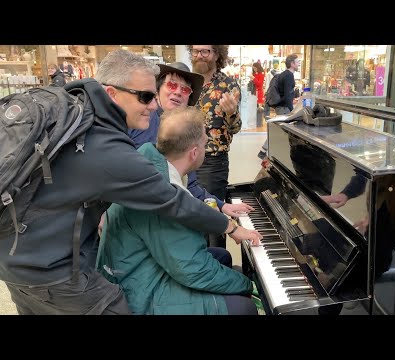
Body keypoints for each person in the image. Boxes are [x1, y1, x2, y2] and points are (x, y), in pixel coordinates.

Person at [1, 49, 257, 315]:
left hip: (17, 257)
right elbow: (169, 198)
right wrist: (229, 227)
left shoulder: (78, 116)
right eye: (146, 97)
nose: (154, 105)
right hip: (51, 271)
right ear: (112, 94)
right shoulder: (105, 146)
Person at [97, 107, 260, 315]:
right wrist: (249, 285)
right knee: (243, 307)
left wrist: (229, 227)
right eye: (204, 144)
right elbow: (192, 270)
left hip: (132, 265)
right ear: (194, 152)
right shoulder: (161, 194)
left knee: (222, 256)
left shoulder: (151, 163)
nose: (205, 149)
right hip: (136, 290)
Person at [127, 61, 252, 219]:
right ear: (158, 90)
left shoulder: (184, 130)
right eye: (172, 85)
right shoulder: (141, 119)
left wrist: (222, 205)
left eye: (185, 89)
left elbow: (190, 186)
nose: (178, 92)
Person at [186, 45, 242, 248]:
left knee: (214, 216)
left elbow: (235, 128)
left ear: (217, 54)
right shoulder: (187, 82)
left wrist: (231, 113)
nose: (199, 55)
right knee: (189, 215)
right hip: (184, 158)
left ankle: (219, 263)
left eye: (205, 51)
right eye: (195, 51)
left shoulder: (228, 85)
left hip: (212, 162)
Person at [258, 54, 300, 160]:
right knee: (285, 130)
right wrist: (292, 111)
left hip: (280, 106)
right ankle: (267, 151)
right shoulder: (289, 75)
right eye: (297, 61)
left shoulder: (284, 74)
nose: (299, 63)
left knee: (281, 129)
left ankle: (263, 150)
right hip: (284, 107)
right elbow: (286, 95)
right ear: (292, 63)